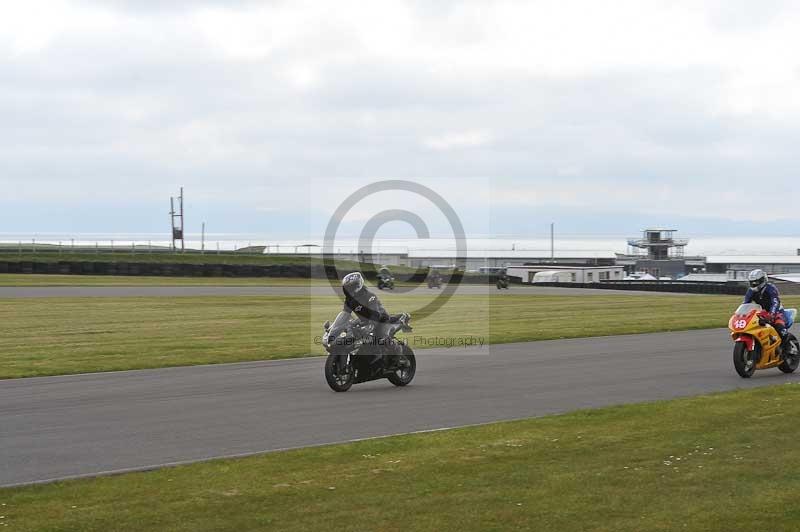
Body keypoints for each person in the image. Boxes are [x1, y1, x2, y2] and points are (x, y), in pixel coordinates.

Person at [341, 271, 405, 363]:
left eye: (351, 287)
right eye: (347, 288)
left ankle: (397, 351)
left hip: (381, 320)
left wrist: (370, 325)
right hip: (364, 320)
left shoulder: (370, 296)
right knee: (352, 334)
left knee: (381, 337)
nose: (349, 290)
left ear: (358, 286)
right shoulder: (349, 300)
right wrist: (341, 325)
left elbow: (374, 313)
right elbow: (345, 314)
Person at [744, 269, 790, 347]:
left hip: (777, 312)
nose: (754, 284)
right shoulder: (751, 291)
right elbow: (745, 303)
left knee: (780, 328)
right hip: (762, 313)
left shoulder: (770, 288)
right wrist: (741, 314)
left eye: (756, 282)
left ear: (762, 280)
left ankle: (787, 347)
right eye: (752, 282)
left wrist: (772, 314)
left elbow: (775, 302)